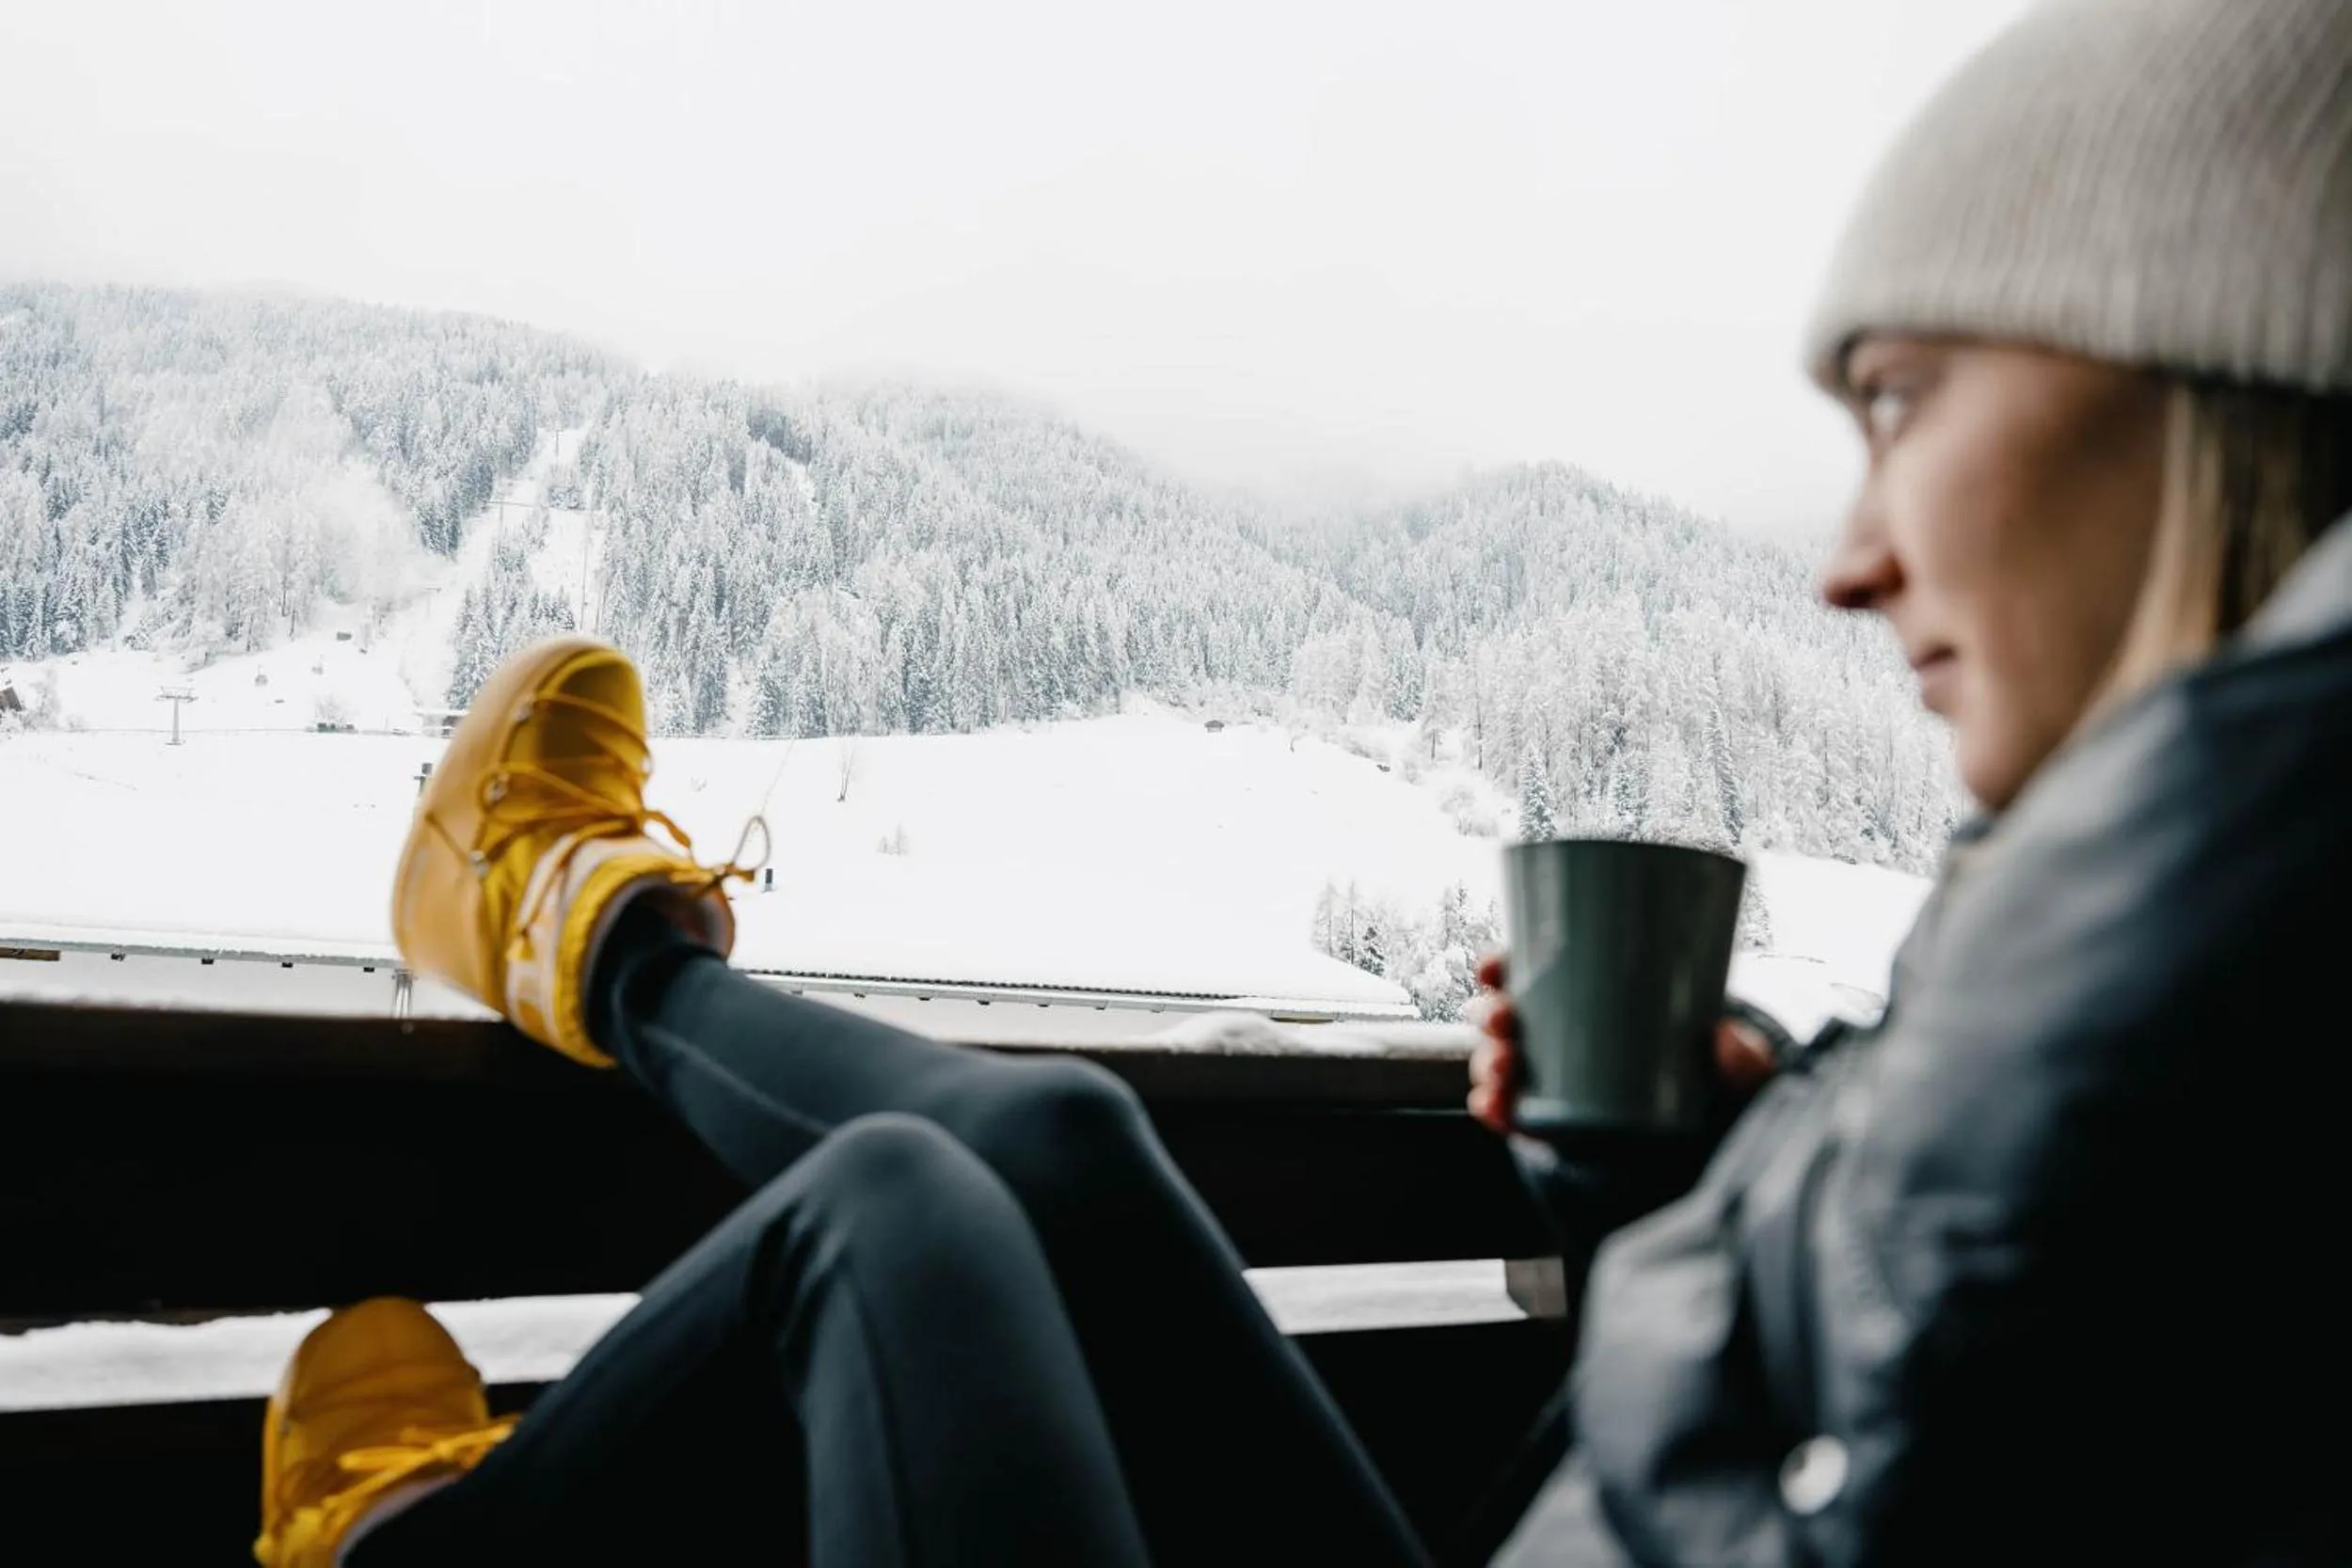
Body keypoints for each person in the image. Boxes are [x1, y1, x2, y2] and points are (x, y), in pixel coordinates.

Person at [257, 1, 2352, 1563]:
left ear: (2217, 390)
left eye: (1898, 399)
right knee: (1059, 1141)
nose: (1846, 547)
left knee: (889, 1222)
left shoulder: (2233, 975)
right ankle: (590, 929)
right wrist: (1682, 1179)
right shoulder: (2142, 905)